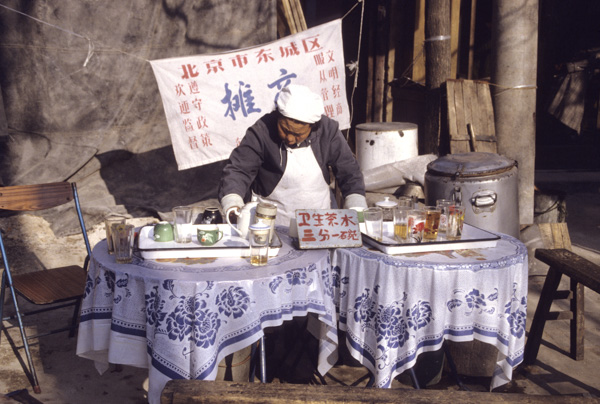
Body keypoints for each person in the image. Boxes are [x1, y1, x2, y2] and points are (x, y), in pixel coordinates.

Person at [218, 84, 367, 226]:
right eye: (284, 130)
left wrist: (356, 207)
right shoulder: (261, 131)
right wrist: (232, 204)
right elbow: (239, 170)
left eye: (298, 135)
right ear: (278, 117)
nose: (289, 138)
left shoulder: (328, 131)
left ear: (313, 127)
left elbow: (349, 171)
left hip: (319, 221)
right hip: (270, 223)